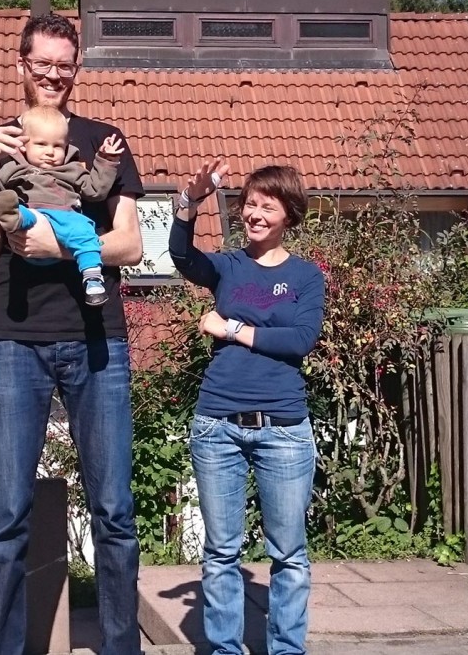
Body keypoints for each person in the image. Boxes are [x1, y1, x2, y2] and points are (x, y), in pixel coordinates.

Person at [0, 12, 144, 655]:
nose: (53, 74)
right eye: (43, 63)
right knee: (7, 513)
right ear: (22, 64)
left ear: (76, 69)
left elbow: (130, 241)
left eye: (64, 64)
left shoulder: (105, 140)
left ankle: (122, 647)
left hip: (98, 339)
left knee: (115, 512)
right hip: (12, 340)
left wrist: (62, 248)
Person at [168, 160, 326, 655]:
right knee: (220, 553)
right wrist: (188, 203)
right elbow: (180, 254)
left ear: (288, 215)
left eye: (267, 205)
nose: (255, 213)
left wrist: (231, 328)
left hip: (283, 429)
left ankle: (286, 649)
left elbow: (299, 340)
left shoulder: (305, 276)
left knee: (290, 555)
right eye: (251, 204)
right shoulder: (227, 266)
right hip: (217, 426)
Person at [0, 103, 128, 306]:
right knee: (15, 207)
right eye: (41, 144)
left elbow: (95, 190)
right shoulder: (12, 169)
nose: (50, 152)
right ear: (23, 145)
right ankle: (14, 218)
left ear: (66, 147)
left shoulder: (72, 170)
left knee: (85, 230)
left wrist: (105, 161)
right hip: (33, 219)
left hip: (65, 218)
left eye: (57, 146)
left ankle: (92, 280)